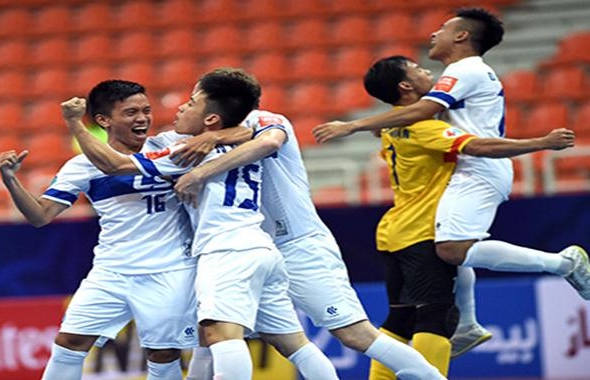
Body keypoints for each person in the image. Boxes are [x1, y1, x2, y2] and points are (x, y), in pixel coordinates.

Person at [312, 7, 590, 357]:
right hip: (471, 167)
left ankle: (563, 263)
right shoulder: (459, 75)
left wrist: (353, 125)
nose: (433, 34)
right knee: (448, 246)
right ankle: (469, 324)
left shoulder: (465, 70)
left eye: (443, 28)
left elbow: (427, 113)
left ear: (461, 36)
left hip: (480, 165)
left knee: (451, 248)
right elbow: (423, 114)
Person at [61, 68, 347, 380]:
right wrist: (212, 138)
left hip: (224, 250)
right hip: (260, 245)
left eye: (191, 102)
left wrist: (75, 122)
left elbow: (114, 165)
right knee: (290, 342)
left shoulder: (185, 151)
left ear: (211, 118)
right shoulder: (247, 136)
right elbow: (266, 134)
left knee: (219, 336)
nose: (180, 108)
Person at [169, 88, 457, 379]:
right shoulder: (196, 145)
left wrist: (202, 167)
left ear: (216, 112)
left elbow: (269, 141)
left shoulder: (264, 120)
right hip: (253, 246)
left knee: (355, 334)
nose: (183, 105)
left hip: (298, 244)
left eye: (193, 99)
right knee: (234, 338)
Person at [361, 55, 575, 378]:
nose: (427, 70)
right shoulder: (423, 127)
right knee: (436, 316)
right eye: (417, 70)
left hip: (393, 232)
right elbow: (479, 148)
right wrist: (541, 142)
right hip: (423, 230)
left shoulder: (392, 123)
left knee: (399, 319)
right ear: (405, 86)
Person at [0, 80, 198, 380]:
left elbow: (115, 165)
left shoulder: (171, 147)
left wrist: (73, 123)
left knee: (163, 352)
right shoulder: (81, 167)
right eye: (131, 112)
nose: (142, 118)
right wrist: (12, 181)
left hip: (170, 269)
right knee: (69, 343)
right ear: (104, 120)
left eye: (146, 110)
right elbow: (40, 215)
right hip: (111, 271)